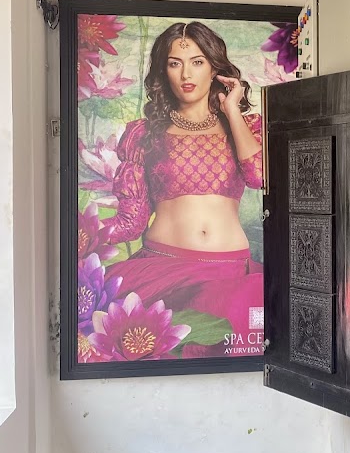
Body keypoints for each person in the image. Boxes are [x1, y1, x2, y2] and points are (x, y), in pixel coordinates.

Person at [105, 20, 264, 358]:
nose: (186, 74)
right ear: (164, 72)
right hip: (163, 271)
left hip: (231, 273)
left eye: (197, 62)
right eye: (175, 63)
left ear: (214, 69)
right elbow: (132, 222)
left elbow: (259, 176)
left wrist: (231, 110)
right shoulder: (144, 134)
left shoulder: (246, 127)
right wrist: (85, 234)